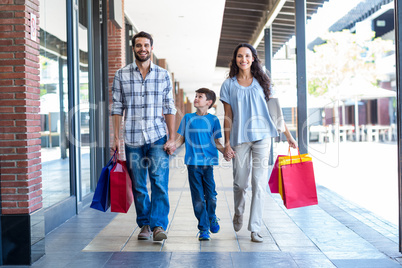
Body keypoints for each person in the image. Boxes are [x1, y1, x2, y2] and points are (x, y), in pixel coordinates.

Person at [220, 43, 297, 243]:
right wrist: (227, 143)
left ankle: (255, 227)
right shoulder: (228, 84)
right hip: (239, 139)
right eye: (239, 56)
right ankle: (239, 212)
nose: (243, 59)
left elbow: (276, 113)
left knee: (258, 183)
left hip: (263, 137)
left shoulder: (264, 82)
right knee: (240, 183)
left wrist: (288, 135)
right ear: (235, 59)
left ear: (253, 58)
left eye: (247, 56)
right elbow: (227, 116)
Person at [111, 31, 177, 242]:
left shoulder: (163, 75)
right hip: (131, 138)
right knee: (139, 185)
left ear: (151, 47)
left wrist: (172, 137)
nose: (142, 49)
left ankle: (158, 226)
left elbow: (169, 107)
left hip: (157, 136)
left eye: (146, 45)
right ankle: (145, 224)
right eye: (138, 45)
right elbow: (116, 108)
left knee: (159, 182)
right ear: (133, 48)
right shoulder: (121, 74)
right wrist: (116, 138)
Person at [175, 88, 227, 241]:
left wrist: (226, 152)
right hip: (192, 164)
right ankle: (203, 228)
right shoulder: (187, 118)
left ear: (209, 102)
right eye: (195, 96)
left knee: (211, 196)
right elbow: (181, 139)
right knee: (198, 198)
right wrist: (172, 146)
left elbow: (217, 142)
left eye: (200, 97)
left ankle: (212, 216)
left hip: (208, 164)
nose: (196, 99)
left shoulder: (214, 120)